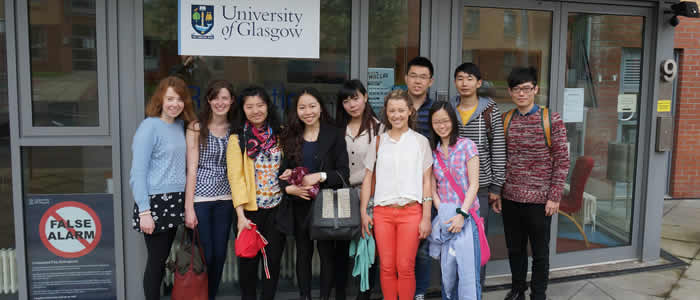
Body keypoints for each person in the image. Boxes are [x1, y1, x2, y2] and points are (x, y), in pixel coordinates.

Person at [494, 67, 570, 300]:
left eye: (526, 88)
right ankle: (518, 289)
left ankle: (538, 294)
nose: (521, 94)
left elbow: (562, 159)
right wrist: (498, 192)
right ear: (510, 92)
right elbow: (501, 157)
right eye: (516, 89)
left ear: (536, 89)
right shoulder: (506, 119)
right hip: (511, 198)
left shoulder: (551, 119)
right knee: (515, 249)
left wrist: (554, 196)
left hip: (540, 199)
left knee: (539, 252)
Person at [360, 89, 433, 300]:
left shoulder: (420, 142)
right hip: (382, 213)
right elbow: (368, 179)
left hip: (411, 212)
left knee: (406, 266)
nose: (396, 115)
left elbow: (427, 181)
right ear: (386, 112)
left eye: (401, 110)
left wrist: (426, 217)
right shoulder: (378, 142)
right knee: (387, 267)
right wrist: (364, 212)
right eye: (392, 110)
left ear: (410, 111)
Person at [279, 87, 350, 300]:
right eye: (302, 107)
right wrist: (288, 186)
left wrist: (319, 176)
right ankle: (305, 296)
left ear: (320, 108)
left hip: (327, 204)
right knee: (303, 255)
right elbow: (281, 173)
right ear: (296, 111)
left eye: (312, 106)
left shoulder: (335, 134)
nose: (307, 111)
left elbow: (343, 173)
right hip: (300, 205)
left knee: (327, 256)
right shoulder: (289, 135)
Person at [129, 76, 196, 300]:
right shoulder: (149, 127)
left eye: (179, 99)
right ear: (160, 99)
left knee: (165, 257)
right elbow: (137, 173)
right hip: (155, 203)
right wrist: (144, 211)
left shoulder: (180, 125)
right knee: (156, 262)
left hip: (175, 200)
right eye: (170, 99)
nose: (174, 104)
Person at [226, 86, 285, 300]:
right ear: (243, 109)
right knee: (248, 264)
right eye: (249, 106)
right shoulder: (237, 139)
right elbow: (236, 178)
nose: (256, 110)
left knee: (273, 262)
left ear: (268, 106)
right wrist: (241, 217)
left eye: (260, 105)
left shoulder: (280, 134)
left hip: (277, 209)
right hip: (249, 212)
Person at [451, 62, 506, 287]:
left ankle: (475, 290)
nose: (465, 83)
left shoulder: (490, 111)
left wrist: (496, 188)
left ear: (479, 83)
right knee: (453, 243)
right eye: (460, 78)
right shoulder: (448, 109)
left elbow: (499, 149)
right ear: (455, 82)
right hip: (452, 188)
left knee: (476, 242)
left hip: (481, 188)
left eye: (470, 79)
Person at [183, 80, 236, 300]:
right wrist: (189, 208)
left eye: (225, 98)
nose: (220, 102)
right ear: (208, 100)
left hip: (226, 199)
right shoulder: (196, 127)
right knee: (207, 255)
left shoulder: (236, 129)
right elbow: (191, 169)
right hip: (201, 199)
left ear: (232, 101)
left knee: (220, 256)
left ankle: (210, 296)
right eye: (215, 97)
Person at [428, 101, 481, 300]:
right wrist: (444, 214)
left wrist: (461, 215)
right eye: (436, 122)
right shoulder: (433, 153)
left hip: (467, 219)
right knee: (447, 275)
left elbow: (474, 184)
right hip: (446, 220)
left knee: (468, 276)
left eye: (445, 121)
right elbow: (432, 188)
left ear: (453, 121)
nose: (442, 126)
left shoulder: (467, 146)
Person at [335, 79, 383, 300]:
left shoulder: (379, 128)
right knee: (342, 249)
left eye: (355, 98)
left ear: (365, 96)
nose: (351, 104)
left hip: (370, 196)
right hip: (344, 194)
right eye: (346, 101)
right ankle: (341, 294)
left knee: (367, 249)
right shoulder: (337, 129)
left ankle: (364, 296)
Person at [404, 56, 437, 300]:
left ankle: (419, 293)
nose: (417, 81)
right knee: (399, 247)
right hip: (399, 188)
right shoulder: (395, 107)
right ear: (406, 78)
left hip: (427, 187)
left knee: (423, 248)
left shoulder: (436, 110)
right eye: (413, 75)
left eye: (423, 77)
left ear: (430, 81)